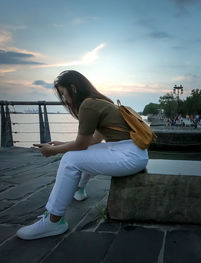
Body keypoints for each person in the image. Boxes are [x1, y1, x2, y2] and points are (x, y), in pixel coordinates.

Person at [16, 70, 149, 240]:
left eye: (63, 93)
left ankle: (54, 220)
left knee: (70, 159)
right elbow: (94, 140)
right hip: (134, 152)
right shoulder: (100, 102)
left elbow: (81, 144)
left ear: (73, 88)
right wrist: (62, 144)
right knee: (80, 153)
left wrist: (53, 150)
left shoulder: (88, 105)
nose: (64, 99)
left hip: (129, 155)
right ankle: (79, 190)